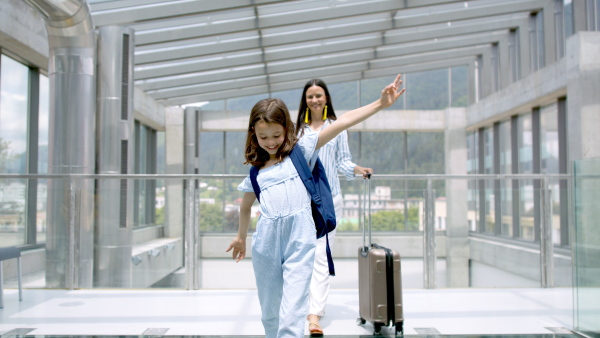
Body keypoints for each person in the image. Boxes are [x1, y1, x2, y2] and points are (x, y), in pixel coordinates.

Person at [226, 74, 405, 338]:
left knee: (294, 310)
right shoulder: (255, 172)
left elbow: (342, 122)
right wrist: (241, 237)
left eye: (276, 134)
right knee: (270, 311)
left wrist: (379, 104)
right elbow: (245, 206)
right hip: (265, 244)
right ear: (254, 134)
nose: (271, 141)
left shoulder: (303, 150)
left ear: (287, 128)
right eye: (264, 137)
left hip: (300, 239)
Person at [295, 79, 373, 335]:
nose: (315, 100)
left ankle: (314, 315)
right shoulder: (298, 131)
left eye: (319, 95)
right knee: (300, 255)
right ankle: (301, 307)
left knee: (320, 254)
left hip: (329, 201)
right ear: (305, 101)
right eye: (310, 96)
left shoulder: (337, 128)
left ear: (326, 98)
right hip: (302, 201)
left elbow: (342, 162)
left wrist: (356, 169)